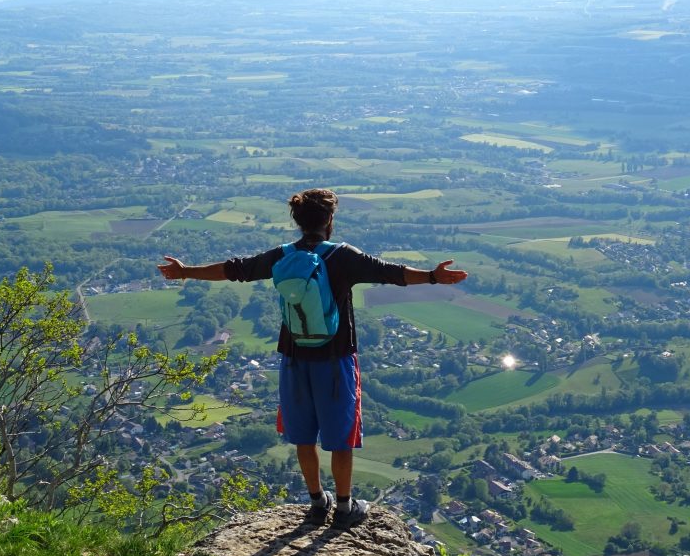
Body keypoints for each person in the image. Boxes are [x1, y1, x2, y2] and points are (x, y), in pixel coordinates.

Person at [158, 188, 467, 528]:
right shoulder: (342, 256)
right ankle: (346, 508)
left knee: (303, 435)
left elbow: (236, 270)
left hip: (293, 358)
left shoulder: (283, 256)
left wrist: (186, 271)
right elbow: (391, 273)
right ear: (330, 220)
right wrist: (434, 276)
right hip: (335, 360)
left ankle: (318, 502)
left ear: (297, 220)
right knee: (341, 436)